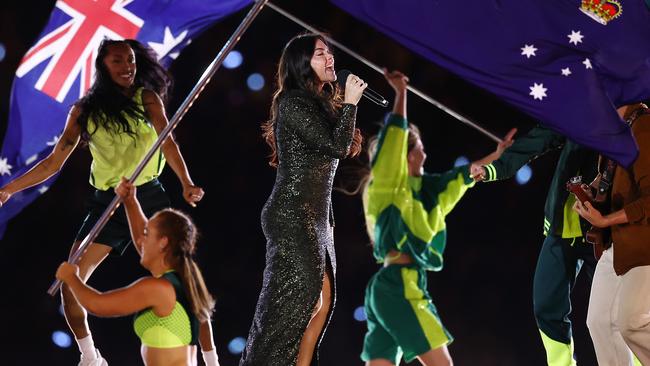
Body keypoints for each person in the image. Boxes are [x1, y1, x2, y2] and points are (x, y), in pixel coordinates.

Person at [0, 39, 204, 365]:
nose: (127, 67)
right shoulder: (83, 111)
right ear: (103, 67)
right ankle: (90, 357)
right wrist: (9, 189)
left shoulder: (147, 99)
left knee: (181, 279)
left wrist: (186, 182)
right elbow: (53, 163)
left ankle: (204, 356)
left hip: (148, 196)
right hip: (107, 202)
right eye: (118, 61)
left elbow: (168, 144)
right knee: (69, 285)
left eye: (131, 61)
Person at [360, 69, 514, 366]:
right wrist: (401, 93)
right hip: (399, 285)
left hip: (391, 287)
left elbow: (466, 175)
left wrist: (500, 155)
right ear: (406, 156)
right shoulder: (387, 184)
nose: (425, 156)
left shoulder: (430, 192)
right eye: (420, 150)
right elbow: (395, 138)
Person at [239, 32, 366, 366]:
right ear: (301, 64)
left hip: (317, 219)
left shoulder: (318, 105)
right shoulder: (292, 102)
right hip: (293, 213)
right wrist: (351, 102)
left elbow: (323, 174)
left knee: (322, 302)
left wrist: (330, 223)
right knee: (295, 304)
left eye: (329, 52)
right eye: (320, 54)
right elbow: (337, 147)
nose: (330, 59)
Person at [472, 122, 600, 365]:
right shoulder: (580, 107)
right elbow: (538, 139)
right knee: (546, 306)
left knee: (611, 315)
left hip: (606, 231)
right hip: (563, 227)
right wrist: (494, 169)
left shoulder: (632, 114)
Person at [56, 178, 217, 366]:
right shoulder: (184, 282)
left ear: (163, 242)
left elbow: (97, 304)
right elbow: (204, 323)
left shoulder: (158, 289)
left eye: (147, 234)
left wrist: (71, 278)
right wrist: (130, 201)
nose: (140, 241)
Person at [574, 103, 650, 366]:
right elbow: (609, 181)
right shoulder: (615, 132)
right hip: (617, 243)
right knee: (599, 323)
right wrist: (591, 193)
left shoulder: (643, 127)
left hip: (643, 243)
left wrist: (605, 219)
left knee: (632, 323)